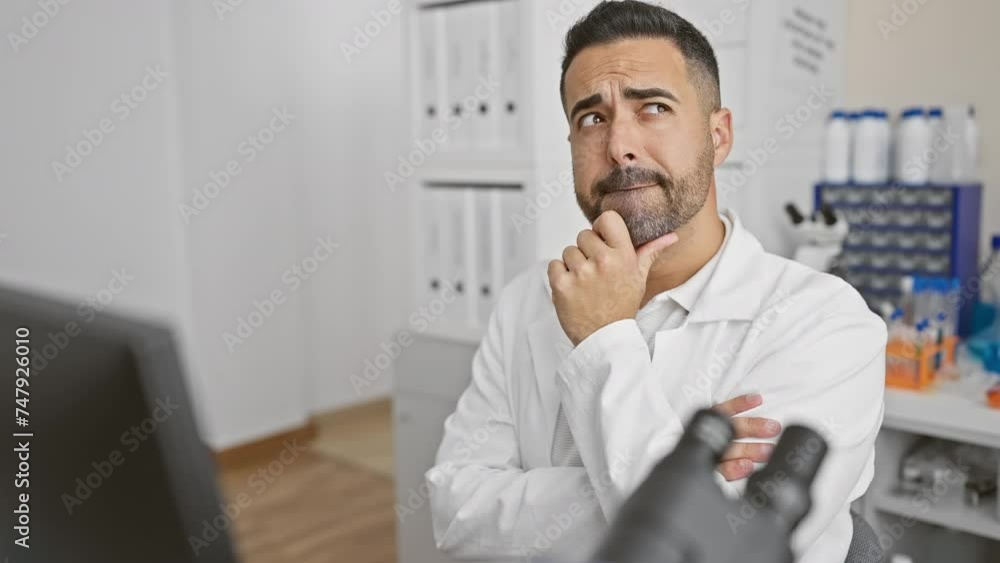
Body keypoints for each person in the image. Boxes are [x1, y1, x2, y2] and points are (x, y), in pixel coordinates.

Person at [426, 2, 887, 562]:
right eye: (591, 118)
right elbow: (454, 512)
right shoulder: (528, 297)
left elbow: (715, 551)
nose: (619, 144)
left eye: (653, 108)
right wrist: (672, 488)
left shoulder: (825, 322)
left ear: (718, 137)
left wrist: (603, 338)